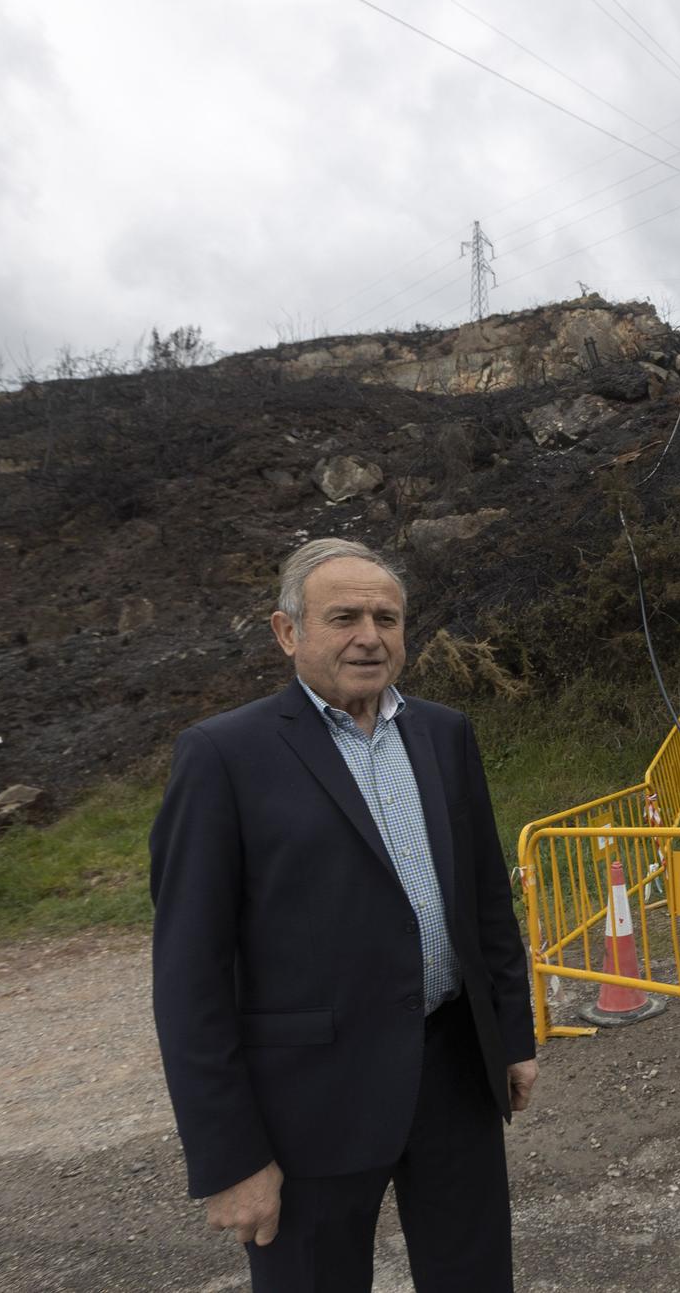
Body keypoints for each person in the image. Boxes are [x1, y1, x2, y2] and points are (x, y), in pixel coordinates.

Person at [149, 538, 538, 1292]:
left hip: (453, 1073)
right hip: (308, 1101)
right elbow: (190, 975)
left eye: (386, 618)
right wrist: (230, 1159)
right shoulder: (223, 755)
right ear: (287, 632)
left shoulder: (444, 732)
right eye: (344, 617)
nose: (370, 636)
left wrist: (512, 1037)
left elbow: (487, 901)